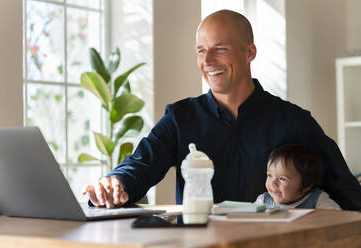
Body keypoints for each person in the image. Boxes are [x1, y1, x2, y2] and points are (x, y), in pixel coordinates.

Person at [83, 10, 361, 211]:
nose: (208, 60)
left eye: (220, 48)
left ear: (250, 52)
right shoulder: (180, 118)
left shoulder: (295, 121)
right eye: (201, 50)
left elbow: (346, 192)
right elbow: (140, 166)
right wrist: (114, 183)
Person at [255, 144, 341, 209]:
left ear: (306, 186)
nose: (273, 183)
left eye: (282, 179)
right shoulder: (263, 201)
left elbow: (338, 219)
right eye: (270, 175)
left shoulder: (317, 200)